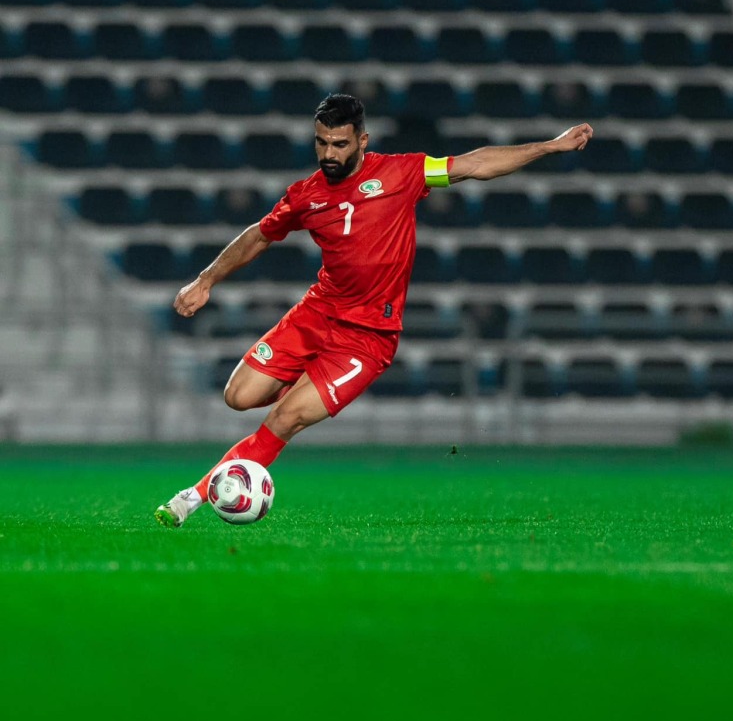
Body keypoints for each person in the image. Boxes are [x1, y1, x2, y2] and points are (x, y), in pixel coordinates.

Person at [156, 94, 593, 527]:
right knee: (238, 397)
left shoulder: (403, 173)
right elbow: (259, 235)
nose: (329, 153)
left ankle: (192, 498)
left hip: (366, 338)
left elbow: (475, 165)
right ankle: (300, 393)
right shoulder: (305, 196)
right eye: (321, 143)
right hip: (317, 314)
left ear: (362, 141)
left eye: (340, 144)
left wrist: (549, 146)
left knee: (284, 419)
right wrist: (206, 279)